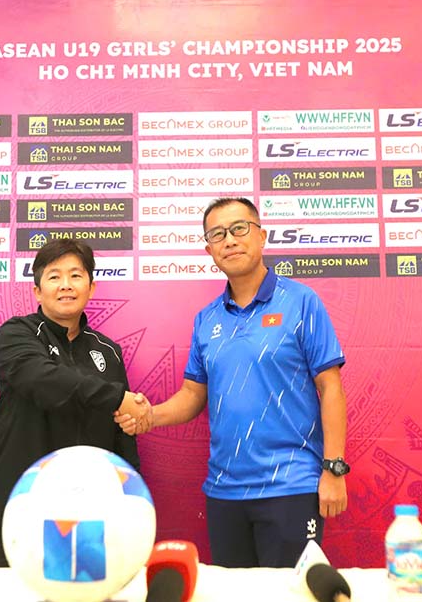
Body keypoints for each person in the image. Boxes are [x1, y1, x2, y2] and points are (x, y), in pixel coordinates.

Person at [116, 197, 348, 568]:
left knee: (289, 592)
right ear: (209, 250)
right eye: (218, 234)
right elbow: (192, 395)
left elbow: (330, 387)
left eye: (240, 228)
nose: (230, 240)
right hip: (225, 491)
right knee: (233, 592)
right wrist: (149, 416)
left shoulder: (301, 302)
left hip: (291, 485)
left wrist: (333, 469)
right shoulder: (206, 319)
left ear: (262, 236)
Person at [0, 238, 151, 566]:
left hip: (89, 520)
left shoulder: (109, 352)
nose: (66, 285)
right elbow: (42, 380)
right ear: (37, 291)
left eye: (76, 275)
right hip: (16, 511)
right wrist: (117, 397)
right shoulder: (16, 333)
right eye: (54, 276)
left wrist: (133, 502)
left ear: (91, 287)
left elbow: (122, 437)